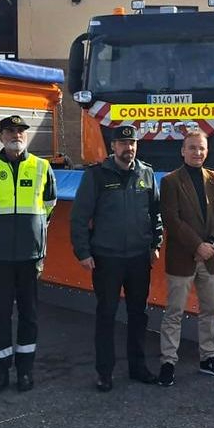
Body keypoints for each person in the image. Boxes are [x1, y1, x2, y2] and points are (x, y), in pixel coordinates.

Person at [70, 124, 163, 392]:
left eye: (132, 143)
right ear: (113, 147)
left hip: (138, 258)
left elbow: (156, 213)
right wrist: (83, 252)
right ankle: (105, 372)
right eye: (123, 144)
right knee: (107, 315)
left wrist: (156, 243)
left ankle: (138, 367)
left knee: (138, 315)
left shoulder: (146, 173)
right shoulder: (97, 175)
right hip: (107, 259)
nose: (128, 148)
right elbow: (79, 217)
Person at [0, 115, 57, 394]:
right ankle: (0, 372)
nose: (16, 135)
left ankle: (25, 370)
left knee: (29, 314)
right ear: (1, 136)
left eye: (20, 131)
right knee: (0, 313)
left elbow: (49, 204)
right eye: (10, 131)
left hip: (30, 255)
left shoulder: (42, 167)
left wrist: (35, 232)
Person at [157, 129, 214, 387]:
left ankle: (208, 358)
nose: (197, 152)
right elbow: (172, 220)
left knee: (210, 310)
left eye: (201, 148)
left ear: (207, 150)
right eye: (192, 148)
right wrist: (197, 245)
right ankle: (168, 361)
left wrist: (210, 243)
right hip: (182, 257)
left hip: (210, 257)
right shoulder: (170, 181)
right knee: (175, 311)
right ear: (182, 151)